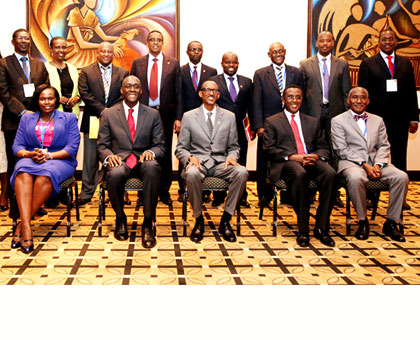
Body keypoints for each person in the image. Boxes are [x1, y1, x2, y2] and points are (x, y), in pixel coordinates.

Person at [331, 87, 408, 242]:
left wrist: (378, 164)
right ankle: (362, 220)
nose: (359, 101)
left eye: (363, 98)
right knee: (355, 178)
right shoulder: (337, 120)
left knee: (401, 177)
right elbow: (341, 149)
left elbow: (384, 145)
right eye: (355, 97)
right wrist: (364, 164)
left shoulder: (377, 120)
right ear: (348, 100)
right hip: (351, 163)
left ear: (368, 101)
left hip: (377, 163)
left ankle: (392, 222)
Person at [263, 85, 336, 247]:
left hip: (311, 160)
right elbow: (269, 149)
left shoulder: (312, 121)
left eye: (298, 97)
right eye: (290, 97)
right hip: (286, 163)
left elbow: (324, 147)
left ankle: (321, 228)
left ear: (302, 100)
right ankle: (303, 230)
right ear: (283, 100)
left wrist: (315, 156)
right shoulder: (272, 121)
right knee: (299, 173)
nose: (294, 100)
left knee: (330, 173)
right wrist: (293, 157)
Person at [175, 80, 248, 243]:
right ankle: (199, 219)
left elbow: (234, 146)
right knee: (191, 173)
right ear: (201, 93)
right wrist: (189, 158)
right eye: (207, 90)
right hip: (198, 163)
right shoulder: (188, 116)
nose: (211, 93)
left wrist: (232, 157)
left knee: (242, 172)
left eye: (214, 90)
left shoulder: (229, 116)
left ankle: (226, 219)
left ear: (218, 95)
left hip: (221, 163)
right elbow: (180, 148)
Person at [10, 84, 80, 253]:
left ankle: (22, 224)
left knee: (45, 175)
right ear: (38, 100)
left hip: (59, 160)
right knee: (22, 172)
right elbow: (16, 147)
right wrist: (28, 154)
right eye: (43, 98)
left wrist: (49, 156)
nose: (46, 102)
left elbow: (72, 148)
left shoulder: (68, 118)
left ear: (56, 100)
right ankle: (27, 226)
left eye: (50, 98)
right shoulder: (27, 118)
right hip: (31, 158)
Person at [97, 76, 165, 248]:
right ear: (122, 90)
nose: (132, 89)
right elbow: (102, 146)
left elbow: (160, 146)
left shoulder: (153, 114)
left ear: (141, 91)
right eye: (128, 86)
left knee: (152, 167)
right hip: (120, 160)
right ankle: (120, 218)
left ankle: (148, 222)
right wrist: (109, 156)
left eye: (136, 86)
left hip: (143, 160)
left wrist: (151, 152)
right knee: (115, 172)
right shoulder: (109, 113)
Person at [0, 28, 50, 215]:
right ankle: (16, 209)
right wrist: (23, 112)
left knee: (36, 163)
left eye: (27, 39)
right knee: (16, 164)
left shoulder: (39, 64)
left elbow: (45, 89)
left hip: (38, 123)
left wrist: (37, 113)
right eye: (20, 38)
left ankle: (33, 206)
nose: (24, 41)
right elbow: (4, 93)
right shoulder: (4, 63)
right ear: (13, 41)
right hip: (14, 122)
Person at [300, 31, 351, 207]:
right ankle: (312, 190)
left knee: (335, 151)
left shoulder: (342, 64)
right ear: (317, 42)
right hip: (312, 114)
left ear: (333, 42)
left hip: (336, 114)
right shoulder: (305, 64)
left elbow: (346, 92)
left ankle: (334, 190)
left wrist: (348, 116)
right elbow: (302, 94)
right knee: (313, 150)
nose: (324, 43)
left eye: (328, 40)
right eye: (321, 41)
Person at [130, 30, 182, 206]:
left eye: (158, 40)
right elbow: (132, 89)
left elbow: (178, 93)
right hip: (143, 113)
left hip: (165, 114)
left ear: (162, 43)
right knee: (142, 150)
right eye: (152, 39)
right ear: (147, 42)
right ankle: (143, 193)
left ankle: (164, 191)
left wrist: (178, 117)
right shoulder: (138, 63)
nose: (155, 42)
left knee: (164, 152)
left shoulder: (173, 64)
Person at [358, 29, 418, 178]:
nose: (387, 42)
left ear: (396, 41)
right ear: (378, 42)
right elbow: (363, 95)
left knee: (399, 157)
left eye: (390, 39)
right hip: (375, 119)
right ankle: (372, 198)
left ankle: (400, 198)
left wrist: (414, 118)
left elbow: (411, 92)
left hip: (400, 119)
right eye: (384, 39)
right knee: (373, 157)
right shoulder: (368, 63)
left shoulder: (405, 63)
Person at [77, 42, 129, 205]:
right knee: (90, 157)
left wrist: (110, 113)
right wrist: (103, 111)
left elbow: (125, 95)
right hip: (93, 119)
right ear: (97, 53)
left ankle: (115, 190)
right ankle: (87, 192)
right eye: (103, 51)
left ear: (113, 54)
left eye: (109, 51)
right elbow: (84, 93)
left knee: (116, 157)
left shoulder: (123, 72)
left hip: (116, 121)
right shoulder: (86, 71)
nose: (106, 54)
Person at [253, 42, 303, 206]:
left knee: (289, 157)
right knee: (264, 161)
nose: (278, 54)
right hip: (268, 124)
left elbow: (302, 97)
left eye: (281, 51)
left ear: (285, 52)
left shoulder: (296, 72)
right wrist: (259, 125)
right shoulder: (261, 74)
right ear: (269, 55)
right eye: (274, 52)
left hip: (291, 122)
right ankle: (264, 195)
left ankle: (288, 195)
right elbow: (256, 101)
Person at [210, 52, 252, 208]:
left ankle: (241, 196)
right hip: (219, 129)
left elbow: (251, 106)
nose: (231, 65)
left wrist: (251, 127)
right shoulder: (214, 82)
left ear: (238, 64)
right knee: (220, 160)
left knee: (241, 161)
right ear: (222, 63)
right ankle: (218, 196)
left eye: (234, 62)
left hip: (240, 129)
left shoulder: (247, 82)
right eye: (228, 62)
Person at [178, 41, 217, 202]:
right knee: (185, 149)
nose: (196, 52)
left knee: (206, 150)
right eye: (193, 49)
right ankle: (183, 189)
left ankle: (206, 191)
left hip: (205, 116)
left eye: (198, 50)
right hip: (186, 117)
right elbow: (178, 95)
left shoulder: (211, 71)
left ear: (202, 52)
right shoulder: (180, 71)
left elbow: (213, 95)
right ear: (187, 52)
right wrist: (178, 118)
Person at [66, 0, 123, 68]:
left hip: (86, 48)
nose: (94, 2)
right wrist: (109, 46)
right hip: (75, 50)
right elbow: (81, 44)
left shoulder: (91, 15)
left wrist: (121, 37)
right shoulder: (74, 12)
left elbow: (104, 37)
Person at [45, 37, 81, 117]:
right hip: (52, 116)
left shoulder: (73, 68)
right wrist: (56, 99)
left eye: (64, 47)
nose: (61, 50)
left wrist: (77, 98)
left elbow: (79, 90)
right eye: (57, 47)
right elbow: (40, 93)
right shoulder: (44, 68)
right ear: (51, 50)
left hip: (72, 115)